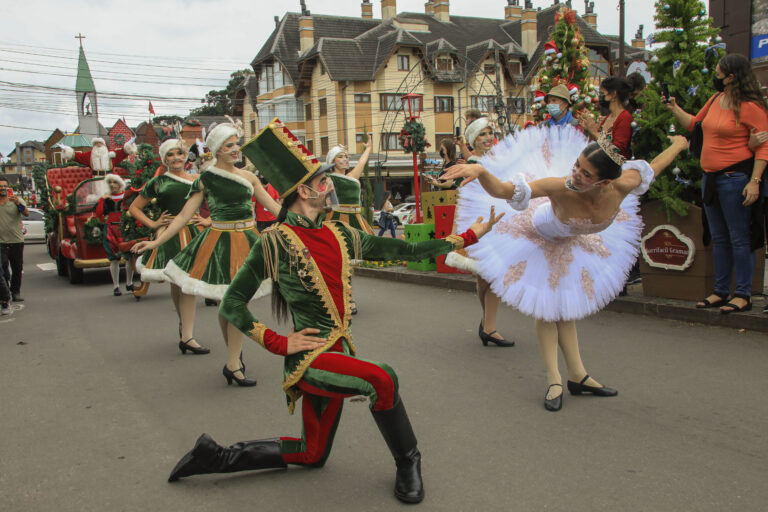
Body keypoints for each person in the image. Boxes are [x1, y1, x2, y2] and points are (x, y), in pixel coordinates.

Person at [166, 120, 500, 504]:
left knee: (312, 454)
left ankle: (218, 456)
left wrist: (471, 235)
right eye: (323, 183)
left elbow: (406, 252)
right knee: (383, 380)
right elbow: (232, 303)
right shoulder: (273, 242)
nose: (330, 188)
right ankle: (409, 461)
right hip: (311, 358)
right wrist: (279, 342)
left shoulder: (342, 233)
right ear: (304, 191)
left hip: (340, 350)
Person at [442, 125, 690, 411]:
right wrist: (482, 172)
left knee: (566, 308)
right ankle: (554, 379)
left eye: (586, 174)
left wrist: (680, 145)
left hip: (570, 242)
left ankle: (577, 375)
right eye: (576, 166)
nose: (576, 175)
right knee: (548, 308)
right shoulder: (559, 185)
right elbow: (504, 190)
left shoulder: (623, 185)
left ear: (605, 182)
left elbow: (655, 165)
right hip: (536, 237)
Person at [132, 122, 281, 387]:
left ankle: (233, 361)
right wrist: (155, 243)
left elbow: (275, 208)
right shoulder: (206, 179)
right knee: (230, 302)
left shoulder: (249, 177)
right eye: (229, 145)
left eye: (237, 144)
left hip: (248, 240)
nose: (236, 150)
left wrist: (307, 218)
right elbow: (182, 217)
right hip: (219, 243)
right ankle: (234, 361)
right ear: (216, 150)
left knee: (234, 302)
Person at [665, 54, 768, 313]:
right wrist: (674, 108)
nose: (715, 75)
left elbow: (764, 147)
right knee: (720, 238)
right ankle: (721, 291)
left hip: (735, 179)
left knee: (740, 238)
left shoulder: (750, 106)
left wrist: (754, 182)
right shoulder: (715, 99)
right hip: (711, 179)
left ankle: (743, 294)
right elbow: (695, 125)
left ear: (731, 77)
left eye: (719, 72)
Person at [130, 138, 210, 355]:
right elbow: (134, 208)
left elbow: (217, 203)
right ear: (164, 158)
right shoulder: (158, 182)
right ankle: (186, 331)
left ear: (186, 156)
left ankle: (186, 333)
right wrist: (153, 224)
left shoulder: (197, 179)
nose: (176, 158)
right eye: (171, 154)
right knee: (177, 282)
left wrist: (208, 220)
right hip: (170, 234)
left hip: (194, 232)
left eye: (180, 153)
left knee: (187, 283)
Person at [446, 117, 514, 347]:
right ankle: (489, 328)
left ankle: (487, 324)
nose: (488, 138)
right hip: (483, 225)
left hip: (493, 224)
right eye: (482, 135)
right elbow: (467, 200)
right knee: (491, 275)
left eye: (490, 133)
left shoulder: (490, 162)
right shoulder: (475, 164)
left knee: (486, 277)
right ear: (473, 141)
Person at [324, 137, 374, 315]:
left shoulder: (351, 177)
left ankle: (346, 297)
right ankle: (344, 297)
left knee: (347, 264)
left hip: (355, 221)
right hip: (337, 220)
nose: (345, 159)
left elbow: (361, 163)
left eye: (346, 156)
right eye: (340, 156)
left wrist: (367, 149)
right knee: (340, 263)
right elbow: (328, 204)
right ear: (332, 161)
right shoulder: (328, 178)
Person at [95, 174, 134, 296]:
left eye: (115, 182)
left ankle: (129, 282)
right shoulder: (106, 198)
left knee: (129, 257)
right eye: (110, 182)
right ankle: (116, 286)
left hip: (125, 228)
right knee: (114, 259)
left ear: (120, 184)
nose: (112, 185)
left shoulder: (127, 196)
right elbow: (99, 214)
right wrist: (102, 199)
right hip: (111, 228)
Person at [578, 77, 635, 160]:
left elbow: (616, 152)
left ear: (613, 94)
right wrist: (589, 129)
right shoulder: (608, 117)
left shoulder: (625, 118)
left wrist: (594, 132)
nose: (600, 97)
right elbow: (597, 144)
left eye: (603, 93)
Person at [0, 175, 27, 303]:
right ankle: (5, 291)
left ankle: (15, 291)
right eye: (0, 187)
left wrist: (18, 204)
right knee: (3, 268)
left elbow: (25, 212)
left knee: (17, 268)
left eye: (5, 186)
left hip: (16, 240)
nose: (3, 189)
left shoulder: (16, 200)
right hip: (1, 242)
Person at [60, 137, 137, 176]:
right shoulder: (89, 156)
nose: (98, 145)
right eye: (96, 144)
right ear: (94, 146)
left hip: (109, 179)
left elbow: (123, 152)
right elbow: (77, 156)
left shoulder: (111, 155)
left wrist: (129, 145)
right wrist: (66, 150)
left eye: (100, 143)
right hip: (95, 180)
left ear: (104, 145)